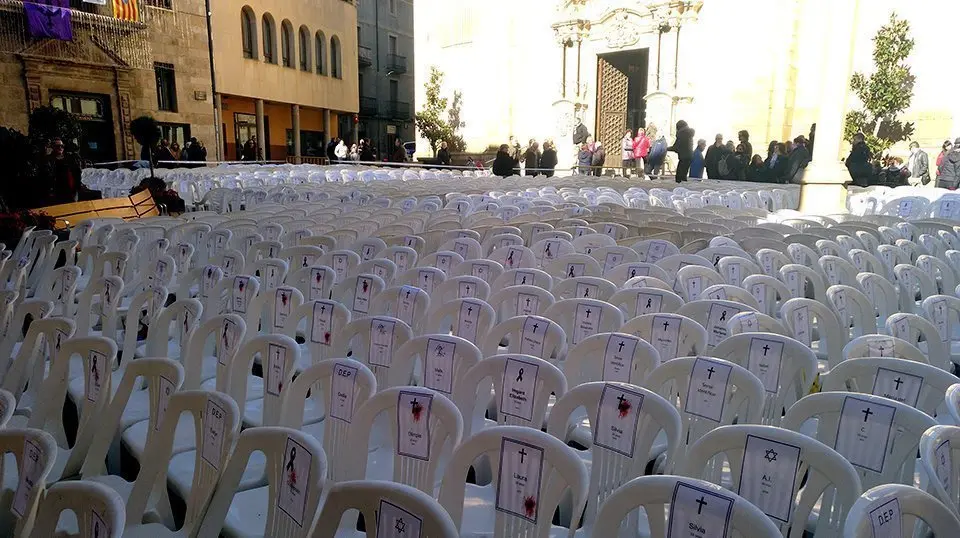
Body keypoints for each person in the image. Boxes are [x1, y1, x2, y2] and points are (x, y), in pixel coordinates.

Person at [47, 138, 82, 204]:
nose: (60, 147)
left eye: (62, 146)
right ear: (53, 147)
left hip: (71, 189)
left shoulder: (70, 157)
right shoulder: (50, 160)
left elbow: (77, 172)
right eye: (58, 146)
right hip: (57, 190)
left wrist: (78, 186)